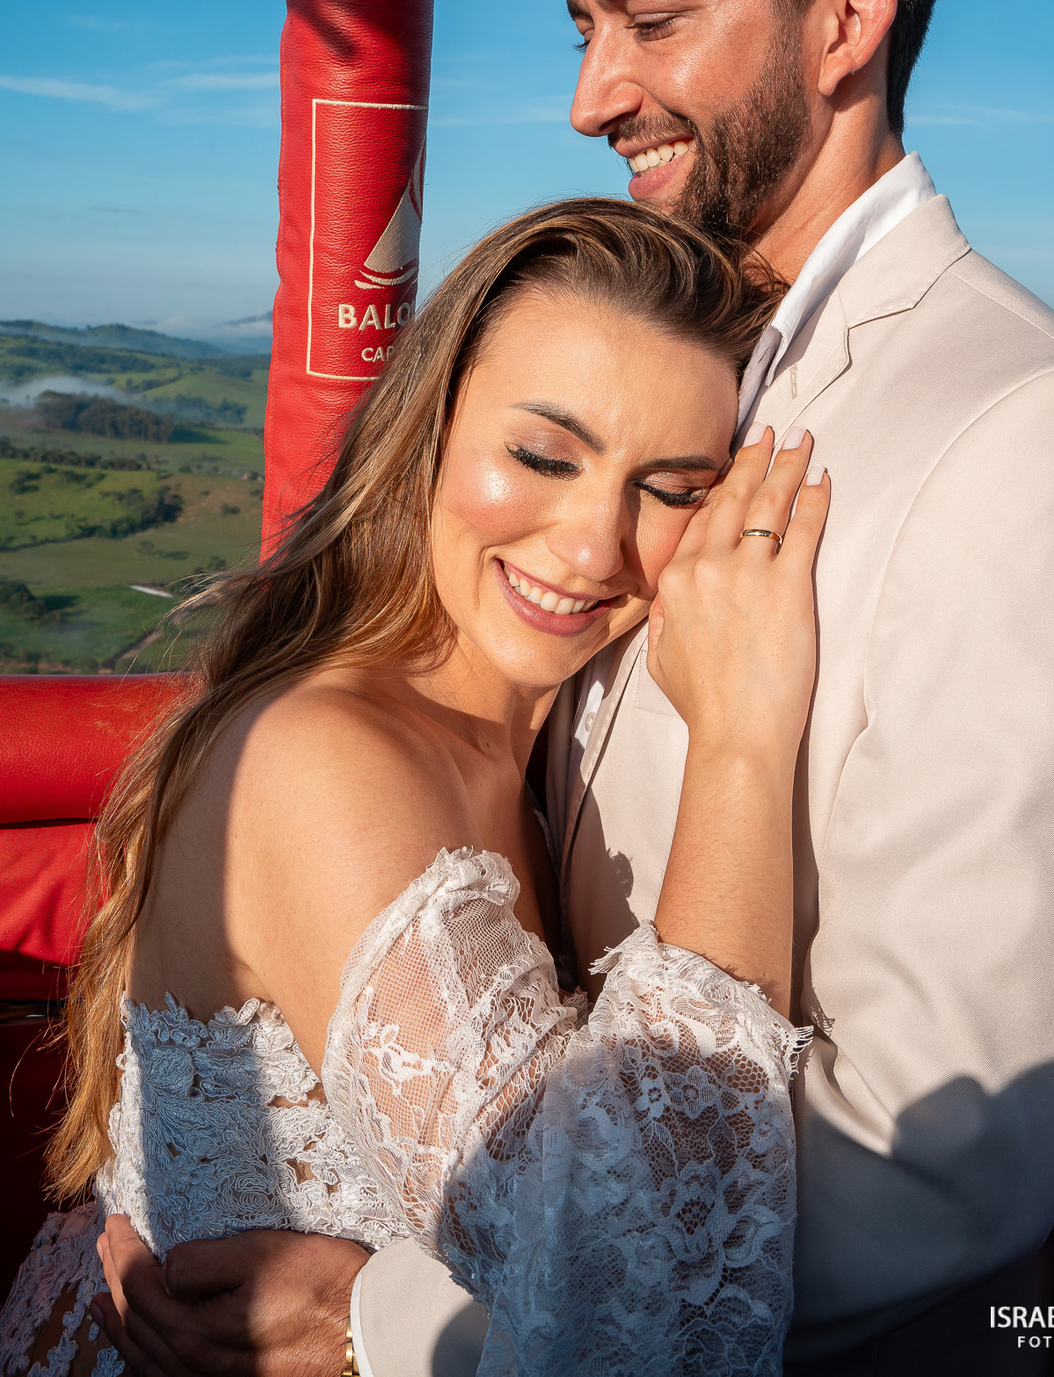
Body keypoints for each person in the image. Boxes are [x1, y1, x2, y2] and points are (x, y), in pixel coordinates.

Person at [95, 0, 1054, 1376]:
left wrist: (402, 1312)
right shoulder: (664, 357)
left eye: (652, 21)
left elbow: (935, 1153)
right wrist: (184, 1171)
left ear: (847, 21)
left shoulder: (1039, 440)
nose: (588, 95)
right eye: (586, 28)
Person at [0, 200, 834, 1377]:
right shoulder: (327, 760)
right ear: (426, 432)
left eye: (673, 488)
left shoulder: (518, 745)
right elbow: (634, 1308)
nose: (596, 545)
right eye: (543, 455)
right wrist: (746, 742)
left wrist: (373, 1311)